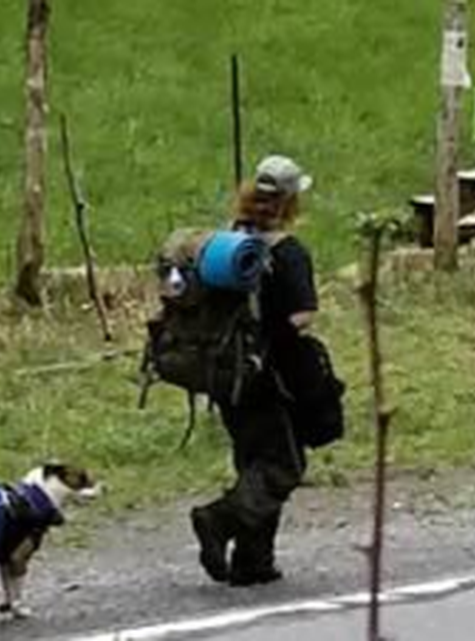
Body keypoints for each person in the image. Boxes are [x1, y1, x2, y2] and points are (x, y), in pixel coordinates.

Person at [190, 154, 335, 587]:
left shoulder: (227, 248)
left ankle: (253, 561)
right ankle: (217, 520)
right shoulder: (287, 252)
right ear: (290, 203)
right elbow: (302, 315)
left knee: (254, 462)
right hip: (271, 378)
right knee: (282, 467)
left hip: (226, 375)